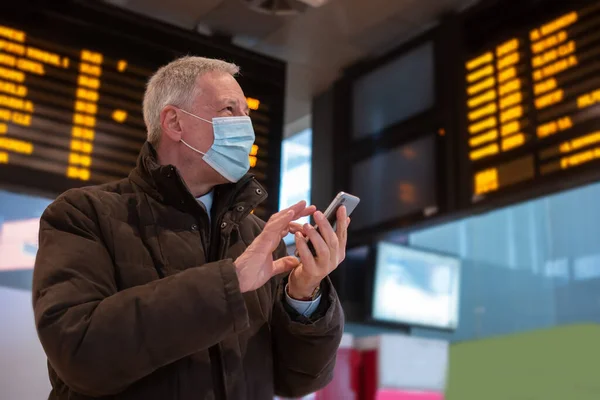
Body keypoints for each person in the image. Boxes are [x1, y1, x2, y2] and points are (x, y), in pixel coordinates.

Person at [32, 56, 349, 400]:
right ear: (174, 122)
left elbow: (297, 381)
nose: (246, 126)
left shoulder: (258, 237)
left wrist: (303, 296)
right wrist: (231, 282)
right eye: (229, 109)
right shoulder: (83, 214)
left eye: (247, 113)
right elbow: (79, 353)